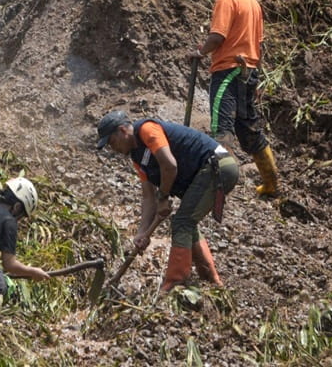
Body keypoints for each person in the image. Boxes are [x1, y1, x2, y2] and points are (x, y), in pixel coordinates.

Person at [96, 110, 240, 292]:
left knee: (182, 222)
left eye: (111, 141)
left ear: (123, 131)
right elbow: (148, 196)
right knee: (187, 223)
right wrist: (141, 233)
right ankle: (211, 280)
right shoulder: (137, 158)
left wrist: (163, 197)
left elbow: (169, 165)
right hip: (207, 173)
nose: (112, 147)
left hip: (218, 166)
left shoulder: (147, 130)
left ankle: (174, 284)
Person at [194, 0, 280, 196]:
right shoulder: (252, 1)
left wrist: (200, 52)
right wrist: (256, 75)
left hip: (228, 70)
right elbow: (259, 44)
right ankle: (271, 184)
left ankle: (221, 183)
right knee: (249, 128)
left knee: (222, 127)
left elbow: (217, 36)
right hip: (248, 70)